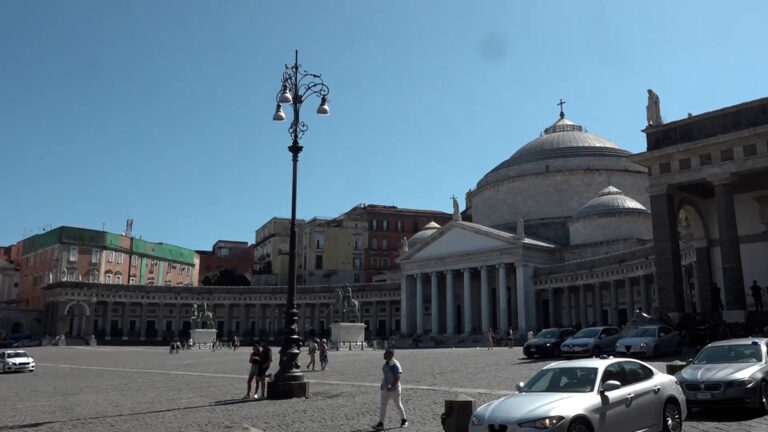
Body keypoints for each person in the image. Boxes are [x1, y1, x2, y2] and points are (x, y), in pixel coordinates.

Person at [373, 348, 408, 430]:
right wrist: (383, 384)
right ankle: (381, 424)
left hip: (395, 389)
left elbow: (398, 376)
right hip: (385, 388)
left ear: (391, 355)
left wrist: (391, 386)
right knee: (383, 405)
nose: (384, 355)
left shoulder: (395, 364)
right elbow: (385, 375)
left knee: (398, 404)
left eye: (386, 354)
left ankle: (404, 420)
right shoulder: (386, 363)